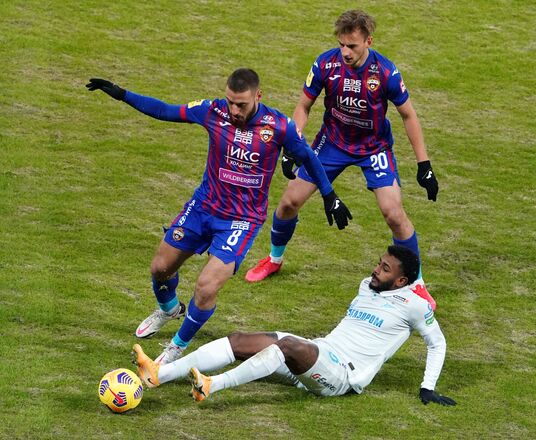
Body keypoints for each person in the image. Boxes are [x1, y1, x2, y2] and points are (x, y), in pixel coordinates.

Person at [86, 68, 351, 365]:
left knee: (206, 286)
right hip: (203, 208)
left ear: (258, 97)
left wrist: (329, 195)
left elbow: (309, 158)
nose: (234, 110)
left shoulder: (278, 126)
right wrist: (122, 94)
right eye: (231, 102)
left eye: (242, 104)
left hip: (242, 220)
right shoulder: (212, 111)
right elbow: (164, 110)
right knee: (160, 268)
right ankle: (170, 309)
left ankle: (176, 347)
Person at [244, 10, 440, 305]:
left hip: (374, 148)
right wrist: (292, 146)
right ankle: (274, 259)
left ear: (368, 41)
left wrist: (424, 164)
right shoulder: (325, 64)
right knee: (288, 202)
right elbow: (303, 106)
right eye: (342, 45)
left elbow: (408, 115)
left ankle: (417, 283)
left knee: (394, 214)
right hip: (332, 144)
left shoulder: (385, 72)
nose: (345, 52)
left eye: (353, 46)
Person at [133, 245, 456, 406]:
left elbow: (437, 343)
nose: (375, 270)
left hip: (342, 375)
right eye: (378, 263)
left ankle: (211, 386)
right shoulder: (365, 285)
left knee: (285, 346)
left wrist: (427, 387)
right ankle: (160, 374)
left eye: (384, 269)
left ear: (400, 280)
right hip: (320, 354)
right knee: (239, 340)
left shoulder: (415, 305)